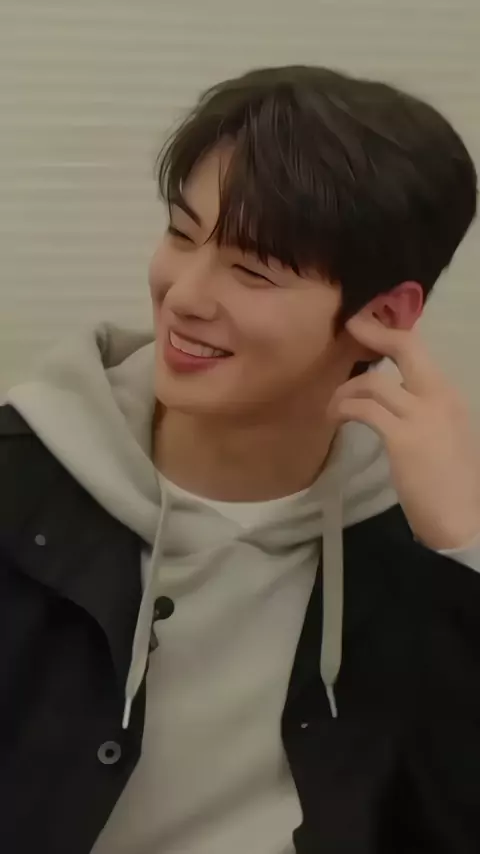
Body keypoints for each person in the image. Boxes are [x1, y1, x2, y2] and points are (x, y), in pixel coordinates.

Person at [1, 64, 479, 854]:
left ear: (384, 313)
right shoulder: (22, 478)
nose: (184, 295)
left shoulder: (415, 534)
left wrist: (462, 552)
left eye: (253, 271)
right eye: (180, 234)